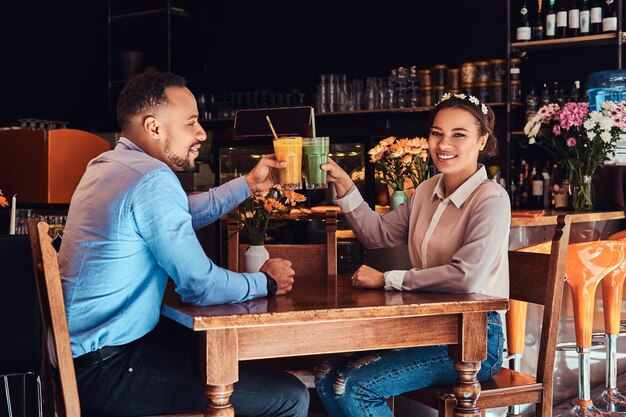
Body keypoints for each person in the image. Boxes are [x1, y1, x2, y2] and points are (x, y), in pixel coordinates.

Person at [58, 71, 309, 416]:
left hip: (83, 362)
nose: (202, 133)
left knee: (212, 354)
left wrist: (249, 184)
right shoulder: (151, 178)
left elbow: (177, 214)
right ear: (154, 127)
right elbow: (200, 286)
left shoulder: (107, 165)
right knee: (290, 396)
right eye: (191, 122)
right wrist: (266, 283)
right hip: (109, 371)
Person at [315, 94, 510, 416]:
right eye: (437, 133)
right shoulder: (426, 190)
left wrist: (387, 280)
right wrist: (347, 187)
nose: (444, 144)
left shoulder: (491, 198)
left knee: (354, 385)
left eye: (458, 134)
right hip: (427, 327)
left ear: (482, 140)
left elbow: (466, 277)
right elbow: (377, 235)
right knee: (326, 373)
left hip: (474, 339)